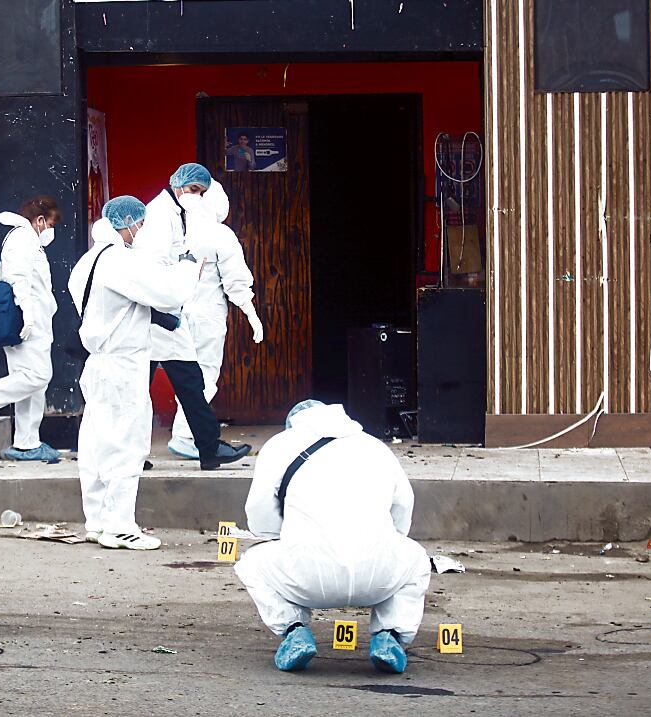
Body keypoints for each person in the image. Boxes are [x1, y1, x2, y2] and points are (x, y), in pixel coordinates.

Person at [234, 400, 431, 673]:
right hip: (378, 578)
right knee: (418, 560)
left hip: (307, 578)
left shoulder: (279, 446)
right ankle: (390, 635)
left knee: (251, 563)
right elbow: (403, 510)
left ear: (294, 424)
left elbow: (259, 517)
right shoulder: (375, 447)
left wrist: (292, 534)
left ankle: (294, 630)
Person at [68, 196, 201, 551]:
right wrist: (188, 265)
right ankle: (120, 526)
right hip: (122, 366)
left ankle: (97, 521)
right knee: (127, 444)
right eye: (139, 225)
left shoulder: (88, 260)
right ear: (126, 222)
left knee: (96, 445)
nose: (140, 231)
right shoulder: (118, 260)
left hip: (99, 364)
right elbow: (170, 294)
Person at [137, 163, 250, 471]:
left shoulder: (175, 212)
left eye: (202, 192)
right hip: (164, 315)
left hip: (172, 315)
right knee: (152, 386)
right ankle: (203, 447)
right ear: (179, 186)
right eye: (195, 191)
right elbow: (157, 265)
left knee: (189, 383)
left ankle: (207, 447)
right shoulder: (162, 214)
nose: (197, 197)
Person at [167, 183, 264, 460]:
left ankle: (182, 432)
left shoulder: (174, 229)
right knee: (204, 375)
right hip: (206, 315)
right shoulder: (220, 234)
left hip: (173, 314)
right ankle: (186, 435)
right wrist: (252, 315)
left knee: (183, 375)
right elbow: (236, 281)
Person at [0, 196, 63, 461]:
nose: (51, 230)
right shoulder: (22, 238)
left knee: (32, 385)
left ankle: (26, 444)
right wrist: (28, 315)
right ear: (40, 220)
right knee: (37, 376)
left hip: (35, 322)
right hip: (25, 322)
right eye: (51, 223)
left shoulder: (28, 240)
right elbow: (17, 279)